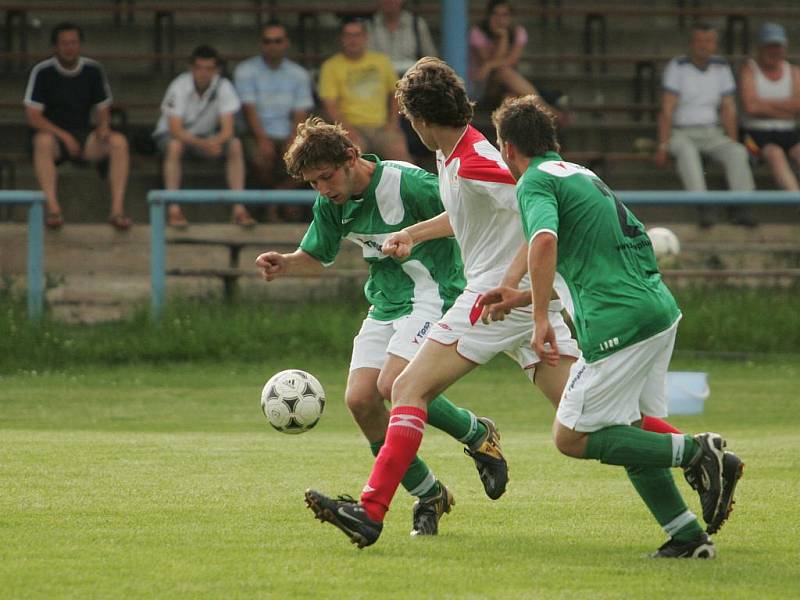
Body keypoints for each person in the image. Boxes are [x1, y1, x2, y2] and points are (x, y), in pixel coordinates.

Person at [303, 57, 699, 550]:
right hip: (517, 302)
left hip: (493, 300)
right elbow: (465, 215)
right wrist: (411, 232)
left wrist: (517, 291)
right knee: (604, 423)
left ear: (420, 120)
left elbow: (536, 215)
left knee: (406, 387)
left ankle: (370, 509)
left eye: (409, 120)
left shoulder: (480, 162)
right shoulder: (455, 157)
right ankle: (694, 494)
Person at [486, 94, 744, 557]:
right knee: (624, 429)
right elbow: (597, 256)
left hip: (618, 322)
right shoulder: (581, 175)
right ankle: (687, 537)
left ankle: (697, 453)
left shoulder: (533, 182)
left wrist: (540, 317)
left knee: (571, 436)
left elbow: (543, 242)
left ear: (507, 148)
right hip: (654, 310)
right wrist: (524, 297)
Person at [255, 116, 507, 538]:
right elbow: (317, 256)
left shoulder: (408, 183)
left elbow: (466, 215)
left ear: (351, 157)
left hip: (435, 293)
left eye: (326, 177)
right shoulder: (330, 203)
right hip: (386, 303)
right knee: (360, 402)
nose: (322, 189)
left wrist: (420, 237)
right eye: (313, 183)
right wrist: (287, 263)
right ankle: (430, 494)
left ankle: (478, 435)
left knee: (395, 384)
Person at [24, 22, 131, 230]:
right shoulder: (42, 71)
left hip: (84, 134)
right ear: (55, 47)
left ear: (80, 45)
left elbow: (103, 107)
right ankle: (53, 209)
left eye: (73, 43)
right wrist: (63, 136)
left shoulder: (93, 69)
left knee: (119, 143)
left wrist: (103, 128)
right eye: (64, 43)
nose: (69, 48)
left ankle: (117, 210)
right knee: (42, 142)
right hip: (52, 135)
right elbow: (33, 117)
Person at [655, 22, 756, 228]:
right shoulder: (678, 66)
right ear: (692, 43)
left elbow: (729, 108)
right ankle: (703, 205)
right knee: (686, 152)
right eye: (699, 40)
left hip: (712, 132)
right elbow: (667, 108)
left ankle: (742, 205)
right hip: (682, 133)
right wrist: (663, 145)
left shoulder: (721, 66)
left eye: (708, 41)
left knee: (737, 151)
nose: (704, 45)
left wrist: (731, 139)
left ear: (715, 44)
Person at [153, 45, 254, 229]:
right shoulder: (179, 86)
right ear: (191, 68)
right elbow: (175, 130)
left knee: (235, 145)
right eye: (199, 67)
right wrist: (204, 144)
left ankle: (239, 208)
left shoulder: (223, 86)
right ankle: (174, 210)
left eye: (208, 68)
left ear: (216, 70)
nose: (203, 73)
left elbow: (228, 130)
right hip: (176, 138)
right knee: (175, 146)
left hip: (206, 139)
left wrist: (214, 142)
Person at [234, 20, 315, 222]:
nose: (273, 45)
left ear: (286, 43)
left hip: (290, 132)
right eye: (268, 41)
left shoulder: (299, 74)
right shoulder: (245, 70)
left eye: (277, 41)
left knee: (308, 157)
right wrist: (262, 139)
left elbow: (300, 112)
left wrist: (294, 139)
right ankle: (281, 202)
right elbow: (249, 110)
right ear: (261, 44)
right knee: (261, 157)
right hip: (255, 132)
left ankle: (275, 201)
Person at [318, 18, 411, 162]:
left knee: (399, 151)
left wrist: (393, 124)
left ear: (365, 37)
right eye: (348, 35)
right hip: (349, 128)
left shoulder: (381, 61)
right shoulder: (330, 66)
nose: (353, 40)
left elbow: (396, 93)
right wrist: (345, 130)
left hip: (381, 127)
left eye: (357, 35)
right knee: (350, 158)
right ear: (342, 39)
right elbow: (330, 105)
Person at [469, 0, 566, 120]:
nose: (499, 19)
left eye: (504, 15)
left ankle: (546, 117)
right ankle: (549, 112)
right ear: (488, 16)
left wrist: (489, 64)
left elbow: (511, 60)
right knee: (503, 72)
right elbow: (492, 65)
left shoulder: (518, 32)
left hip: (507, 85)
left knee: (510, 99)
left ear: (511, 17)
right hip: (484, 85)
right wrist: (502, 39)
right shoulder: (478, 33)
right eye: (495, 14)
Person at [366, 0, 438, 161]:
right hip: (379, 82)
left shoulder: (416, 24)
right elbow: (365, 61)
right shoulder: (370, 25)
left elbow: (430, 58)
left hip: (413, 80)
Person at [740, 23, 800, 191]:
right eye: (769, 46)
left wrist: (764, 104)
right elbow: (750, 108)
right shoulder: (749, 70)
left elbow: (798, 107)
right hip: (752, 137)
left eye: (778, 46)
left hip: (788, 132)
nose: (774, 51)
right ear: (760, 47)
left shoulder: (794, 71)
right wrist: (786, 108)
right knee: (775, 154)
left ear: (785, 47)